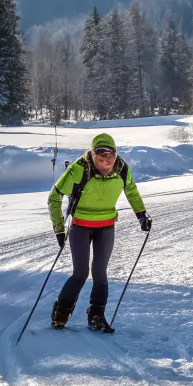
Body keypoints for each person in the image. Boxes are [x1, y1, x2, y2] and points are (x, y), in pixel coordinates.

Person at [48, 132, 152, 333]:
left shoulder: (122, 168)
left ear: (116, 153)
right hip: (80, 225)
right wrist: (59, 228)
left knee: (100, 273)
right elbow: (54, 196)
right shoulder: (79, 169)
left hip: (106, 225)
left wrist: (141, 215)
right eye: (101, 157)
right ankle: (61, 311)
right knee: (80, 273)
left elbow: (131, 190)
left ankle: (96, 316)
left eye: (110, 156)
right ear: (92, 154)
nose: (106, 160)